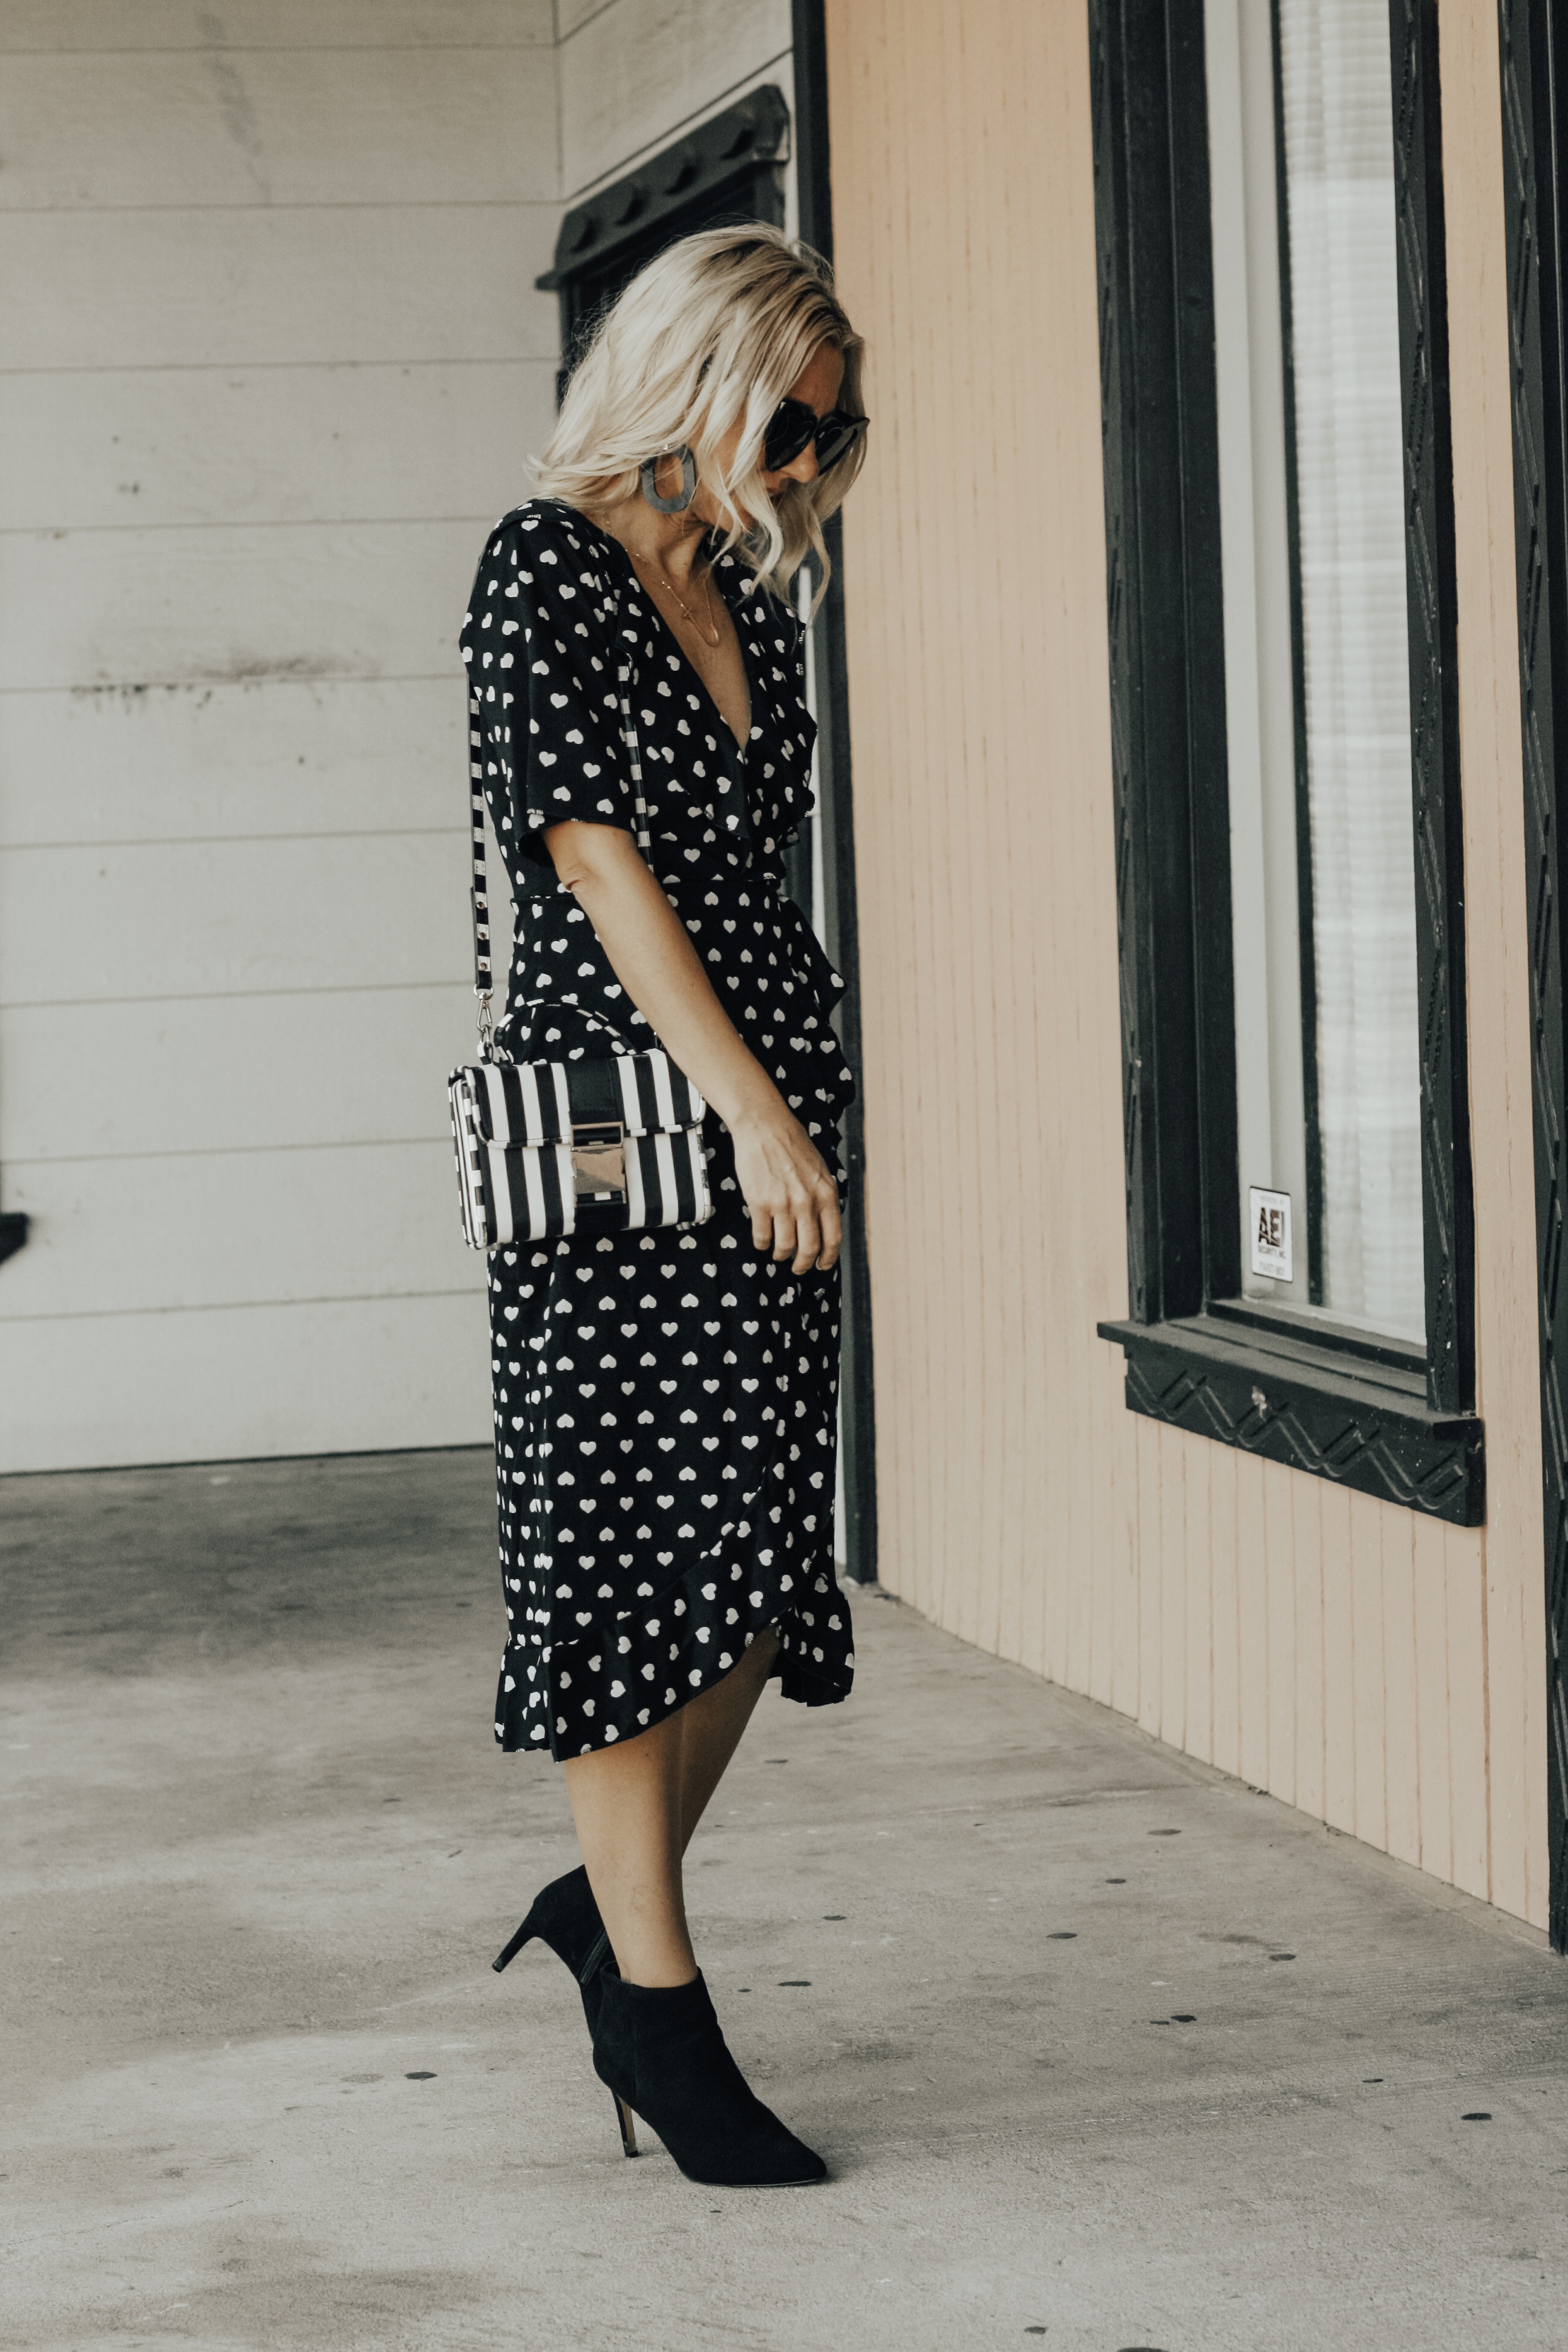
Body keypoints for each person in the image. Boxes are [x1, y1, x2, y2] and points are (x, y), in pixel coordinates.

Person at [459, 226, 869, 2187]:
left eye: (836, 429)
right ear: (697, 377)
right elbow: (604, 877)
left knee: (754, 1556)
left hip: (775, 1099)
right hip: (641, 1136)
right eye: (791, 419)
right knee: (633, 1555)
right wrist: (756, 1125)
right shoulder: (543, 566)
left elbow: (759, 875)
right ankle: (661, 2005)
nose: (809, 461)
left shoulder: (751, 603)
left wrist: (800, 1107)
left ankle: (604, 1913)